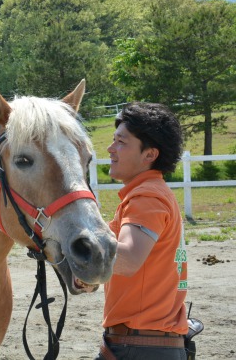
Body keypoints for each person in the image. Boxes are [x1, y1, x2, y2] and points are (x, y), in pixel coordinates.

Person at [96, 102, 188, 360]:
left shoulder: (146, 196)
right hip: (149, 344)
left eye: (121, 142)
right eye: (113, 140)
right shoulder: (154, 193)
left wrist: (80, 238)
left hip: (139, 347)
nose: (110, 149)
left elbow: (128, 260)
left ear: (150, 155)